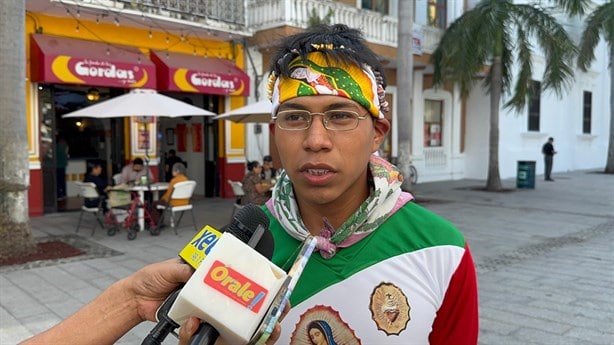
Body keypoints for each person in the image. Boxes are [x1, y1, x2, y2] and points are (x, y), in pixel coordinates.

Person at [259, 24, 478, 344]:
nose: (315, 141)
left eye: (340, 116)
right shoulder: (244, 245)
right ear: (275, 132)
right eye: (294, 117)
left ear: (377, 132)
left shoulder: (442, 249)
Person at [55, 135, 69, 200]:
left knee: (58, 182)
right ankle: (64, 194)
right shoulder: (65, 146)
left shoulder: (55, 146)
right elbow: (66, 155)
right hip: (63, 166)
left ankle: (59, 195)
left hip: (56, 166)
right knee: (62, 181)